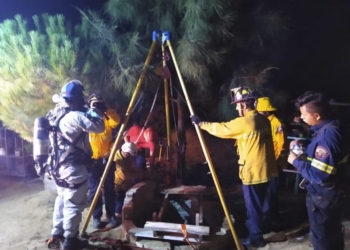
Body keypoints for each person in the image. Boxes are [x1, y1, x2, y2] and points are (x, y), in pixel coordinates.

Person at [191, 86, 278, 248]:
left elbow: (221, 129)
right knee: (260, 205)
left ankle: (255, 239)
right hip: (266, 170)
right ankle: (259, 230)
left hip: (253, 173)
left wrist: (200, 123)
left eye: (237, 104)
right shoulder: (263, 119)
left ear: (245, 104)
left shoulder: (246, 122)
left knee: (253, 207)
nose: (237, 107)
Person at [47, 80, 105, 250]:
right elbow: (99, 126)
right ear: (78, 98)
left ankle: (57, 233)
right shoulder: (76, 116)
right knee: (74, 203)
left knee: (62, 199)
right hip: (73, 168)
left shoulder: (56, 113)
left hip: (58, 167)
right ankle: (70, 240)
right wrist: (95, 109)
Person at [288, 91, 347, 250]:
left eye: (304, 114)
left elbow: (320, 174)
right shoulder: (327, 128)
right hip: (328, 194)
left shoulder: (328, 135)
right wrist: (302, 150)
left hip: (323, 196)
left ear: (317, 115)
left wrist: (295, 161)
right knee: (332, 234)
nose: (301, 118)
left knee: (323, 238)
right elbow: (321, 159)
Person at [87, 94, 121, 229]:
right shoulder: (86, 118)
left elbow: (116, 122)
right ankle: (96, 216)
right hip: (92, 161)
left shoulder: (106, 118)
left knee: (109, 189)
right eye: (93, 103)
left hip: (107, 159)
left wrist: (107, 110)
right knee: (94, 190)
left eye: (98, 103)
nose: (95, 106)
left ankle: (111, 214)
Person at [256, 97, 287, 230]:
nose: (259, 114)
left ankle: (268, 222)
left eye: (261, 112)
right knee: (269, 194)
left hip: (275, 164)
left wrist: (273, 161)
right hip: (269, 163)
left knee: (270, 194)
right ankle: (274, 220)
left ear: (268, 111)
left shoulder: (276, 124)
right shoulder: (265, 122)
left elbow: (281, 146)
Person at [124, 117, 156, 184]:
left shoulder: (152, 141)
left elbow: (152, 155)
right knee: (126, 168)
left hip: (139, 151)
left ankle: (138, 184)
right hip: (129, 150)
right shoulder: (135, 129)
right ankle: (129, 184)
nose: (148, 141)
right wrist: (128, 144)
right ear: (145, 131)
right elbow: (126, 136)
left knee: (140, 166)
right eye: (148, 138)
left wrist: (151, 168)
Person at [113, 142, 139, 216]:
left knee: (121, 197)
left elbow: (128, 169)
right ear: (125, 152)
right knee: (119, 199)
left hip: (122, 184)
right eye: (129, 155)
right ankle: (117, 214)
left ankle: (118, 212)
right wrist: (138, 175)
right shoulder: (117, 160)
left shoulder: (124, 157)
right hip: (116, 184)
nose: (130, 157)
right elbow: (124, 175)